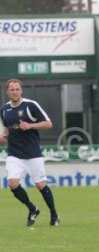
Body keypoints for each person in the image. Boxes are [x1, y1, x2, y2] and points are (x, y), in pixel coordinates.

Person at [0, 79, 59, 226]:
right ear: (7, 92)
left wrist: (30, 125)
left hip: (33, 153)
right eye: (12, 89)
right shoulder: (4, 109)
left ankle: (54, 214)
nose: (15, 92)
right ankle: (32, 209)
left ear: (21, 90)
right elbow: (7, 128)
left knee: (40, 185)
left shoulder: (30, 105)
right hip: (14, 154)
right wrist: (3, 136)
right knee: (13, 183)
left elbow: (48, 123)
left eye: (17, 89)